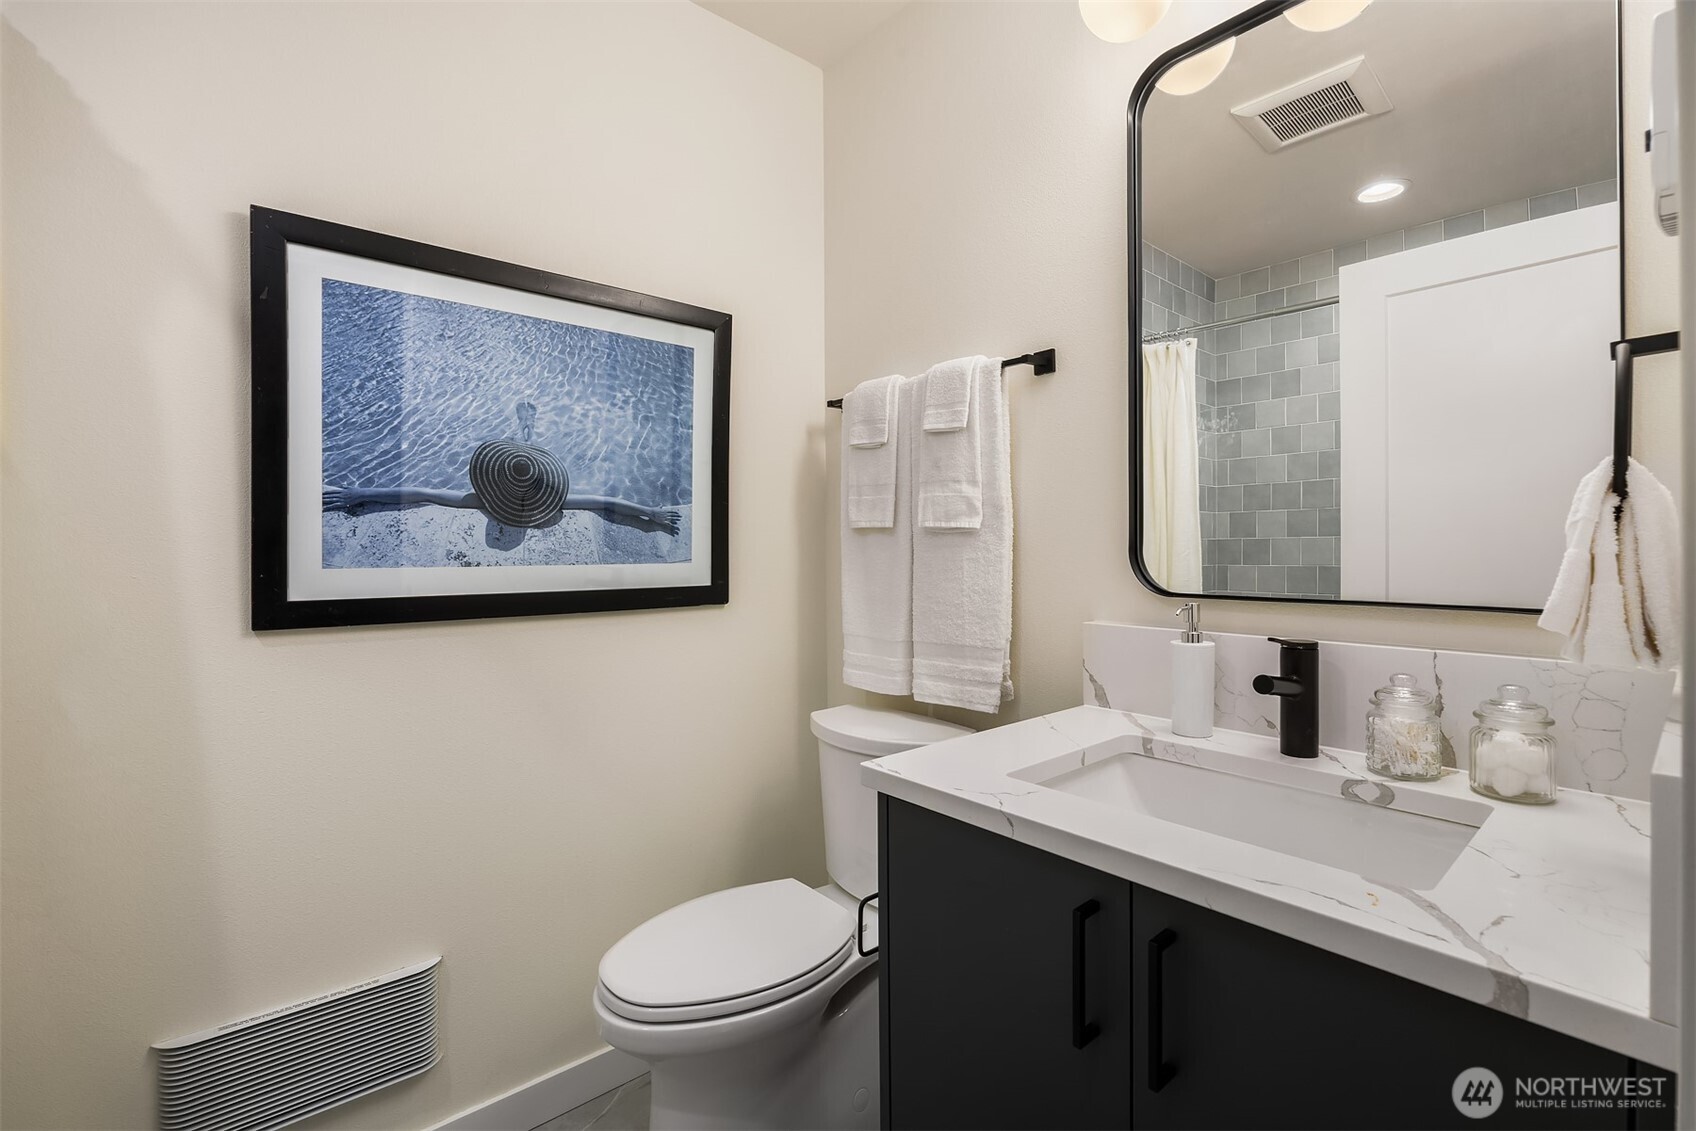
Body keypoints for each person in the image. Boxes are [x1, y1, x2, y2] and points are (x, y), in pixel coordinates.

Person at [322, 401, 682, 536]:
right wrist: (650, 513)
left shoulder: (479, 499)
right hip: (532, 469)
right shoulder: (554, 500)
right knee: (525, 451)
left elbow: (420, 491)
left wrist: (361, 493)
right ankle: (527, 424)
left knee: (522, 451)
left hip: (520, 466)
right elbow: (602, 500)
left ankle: (525, 424)